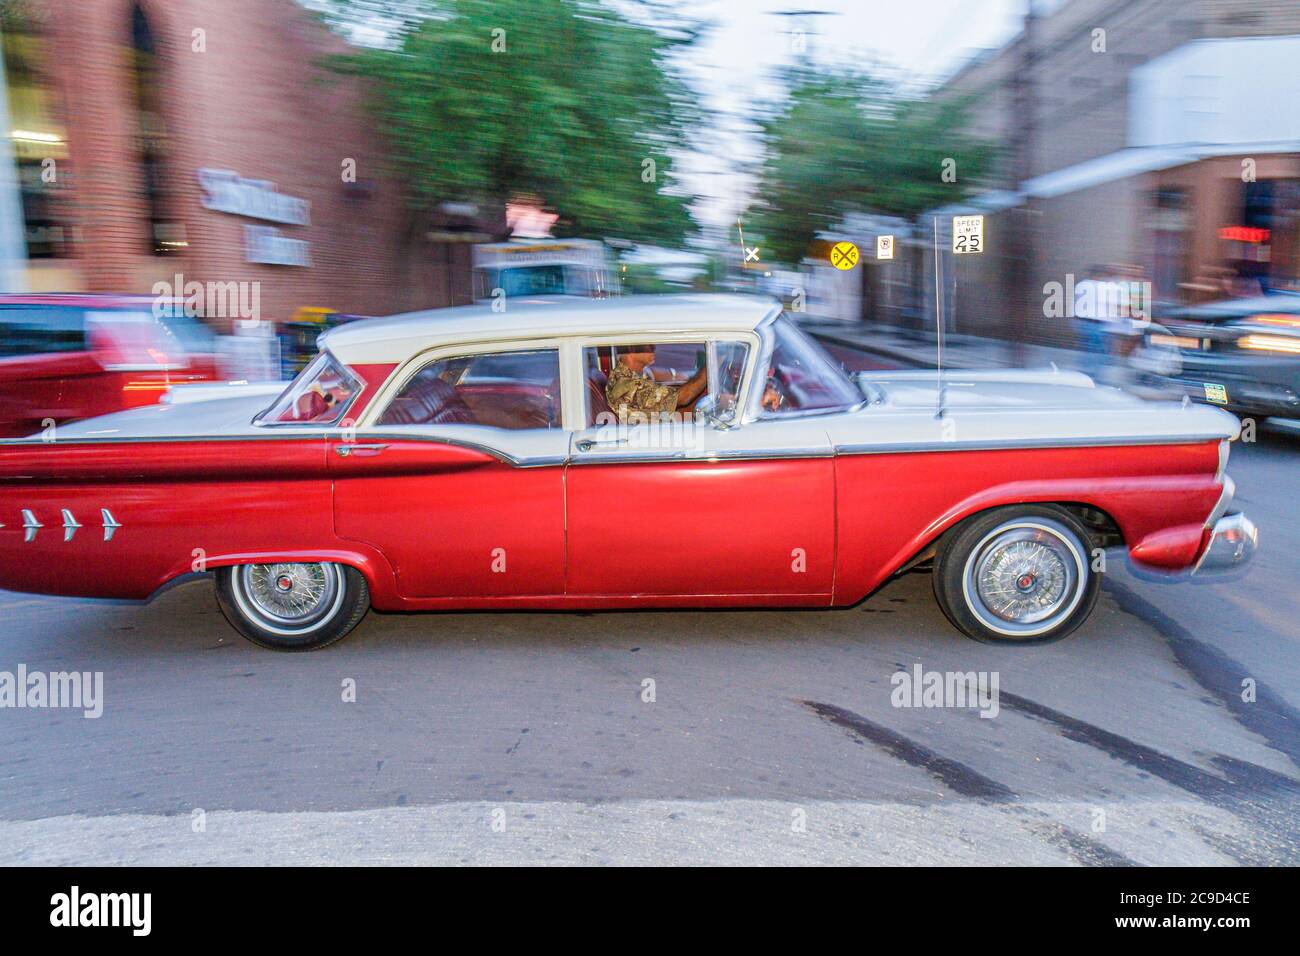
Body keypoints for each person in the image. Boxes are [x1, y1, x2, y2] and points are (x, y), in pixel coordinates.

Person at [605, 344, 707, 423]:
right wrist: (710, 368)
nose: (654, 347)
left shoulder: (634, 376)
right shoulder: (626, 385)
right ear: (631, 347)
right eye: (648, 344)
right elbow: (683, 398)